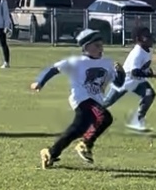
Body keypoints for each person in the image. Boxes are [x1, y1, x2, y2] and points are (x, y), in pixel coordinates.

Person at [31, 28, 122, 169]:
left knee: (76, 130)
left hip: (96, 100)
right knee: (105, 117)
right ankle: (85, 144)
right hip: (81, 98)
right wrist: (40, 82)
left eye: (101, 45)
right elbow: (54, 69)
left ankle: (50, 153)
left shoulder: (108, 63)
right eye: (96, 45)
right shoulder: (77, 62)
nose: (100, 48)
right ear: (86, 47)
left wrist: (121, 74)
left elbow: (118, 84)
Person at [102, 25, 156, 131]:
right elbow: (135, 72)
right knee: (107, 102)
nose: (150, 38)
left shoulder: (148, 50)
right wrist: (153, 74)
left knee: (149, 94)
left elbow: (143, 68)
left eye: (150, 35)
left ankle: (137, 120)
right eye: (146, 36)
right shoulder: (137, 52)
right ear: (138, 39)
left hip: (138, 82)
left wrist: (151, 72)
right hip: (125, 81)